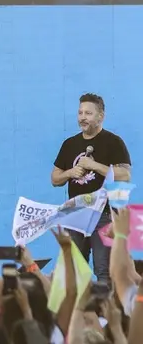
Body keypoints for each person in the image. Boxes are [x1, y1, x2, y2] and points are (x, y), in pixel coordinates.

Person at [52, 93, 131, 282]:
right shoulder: (70, 144)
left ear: (100, 116)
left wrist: (94, 165)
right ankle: (81, 311)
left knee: (103, 269)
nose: (82, 118)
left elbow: (125, 175)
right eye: (80, 113)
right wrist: (70, 173)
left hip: (103, 215)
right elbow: (55, 178)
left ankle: (106, 311)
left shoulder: (113, 142)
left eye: (88, 113)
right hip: (75, 214)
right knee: (74, 271)